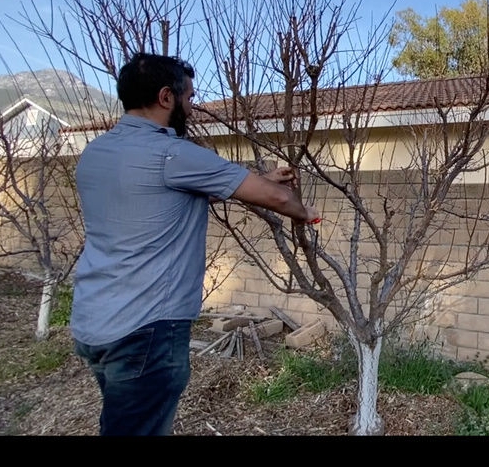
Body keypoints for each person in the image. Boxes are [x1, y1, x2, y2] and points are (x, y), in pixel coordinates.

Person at [70, 52, 320, 436]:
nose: (193, 106)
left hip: (94, 323)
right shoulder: (173, 153)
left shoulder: (95, 153)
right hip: (146, 330)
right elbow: (281, 201)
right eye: (189, 97)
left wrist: (263, 176)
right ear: (166, 97)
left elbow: (170, 194)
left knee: (121, 423)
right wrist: (307, 215)